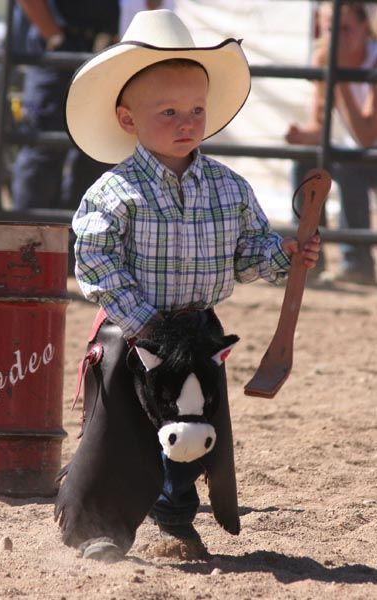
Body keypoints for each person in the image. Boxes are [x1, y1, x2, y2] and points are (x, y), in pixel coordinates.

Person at [54, 9, 321, 562]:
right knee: (116, 430)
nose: (187, 121)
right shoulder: (113, 193)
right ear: (128, 120)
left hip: (198, 330)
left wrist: (285, 260)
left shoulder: (229, 188)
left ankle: (175, 514)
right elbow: (96, 264)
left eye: (196, 109)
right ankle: (97, 524)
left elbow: (252, 253)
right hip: (132, 333)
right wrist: (143, 323)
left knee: (193, 427)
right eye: (169, 110)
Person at [286, 1, 377, 285]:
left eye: (345, 28)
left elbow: (366, 135)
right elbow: (320, 126)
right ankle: (307, 260)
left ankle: (356, 262)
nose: (336, 36)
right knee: (305, 161)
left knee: (351, 166)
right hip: (357, 155)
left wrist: (337, 78)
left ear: (366, 27)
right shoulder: (325, 61)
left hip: (366, 155)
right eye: (329, 28)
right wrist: (301, 137)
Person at [11, 0, 119, 211]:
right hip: (60, 46)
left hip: (102, 45)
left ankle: (77, 234)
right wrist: (54, 35)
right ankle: (28, 234)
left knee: (99, 148)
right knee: (43, 145)